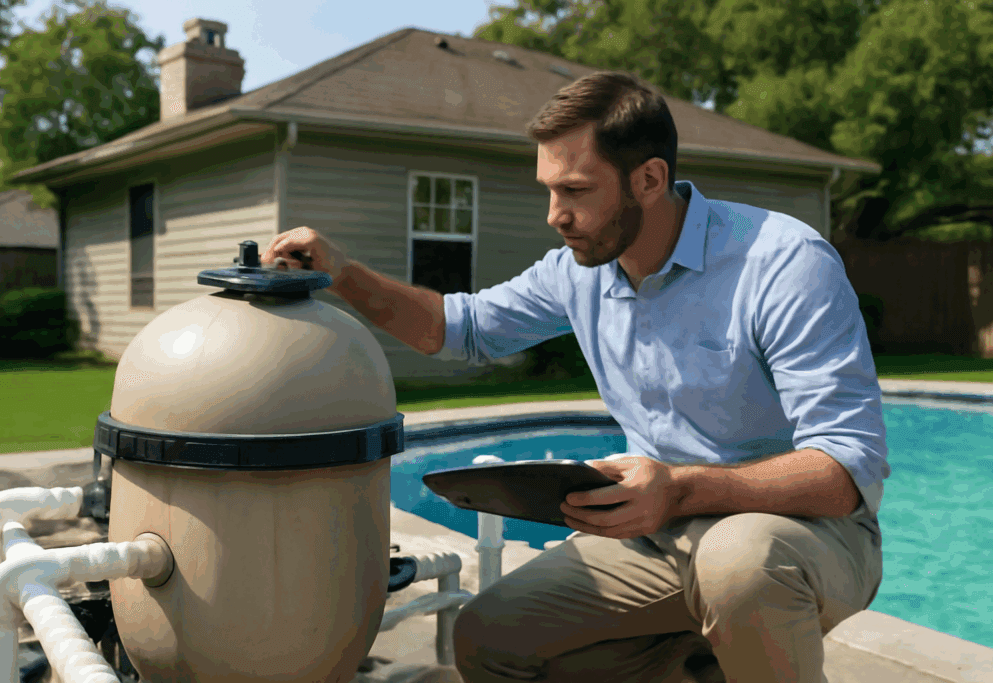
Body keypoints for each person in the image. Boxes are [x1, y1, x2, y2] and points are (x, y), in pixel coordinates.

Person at [262, 71, 888, 683]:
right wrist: (342, 271)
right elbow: (456, 328)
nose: (554, 215)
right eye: (549, 191)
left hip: (802, 535)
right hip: (658, 531)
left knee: (738, 566)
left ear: (649, 179)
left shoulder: (781, 263)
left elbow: (844, 470)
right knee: (491, 638)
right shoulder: (578, 272)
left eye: (576, 191)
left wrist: (680, 489)